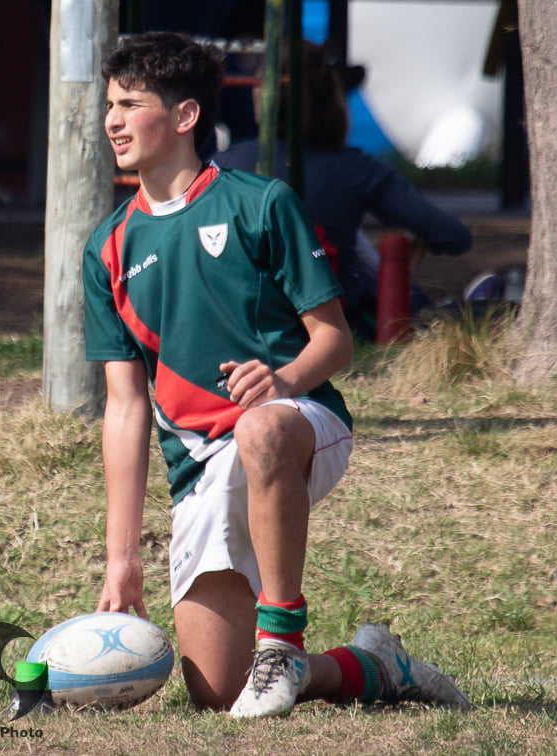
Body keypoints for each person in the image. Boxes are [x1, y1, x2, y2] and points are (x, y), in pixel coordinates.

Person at [82, 31, 471, 718]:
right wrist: (122, 558)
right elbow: (124, 407)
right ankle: (378, 665)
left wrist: (284, 381)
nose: (112, 119)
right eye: (109, 103)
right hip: (199, 471)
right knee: (220, 696)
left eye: (130, 103)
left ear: (184, 116)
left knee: (259, 429)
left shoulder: (260, 205)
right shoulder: (109, 245)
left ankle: (281, 639)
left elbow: (335, 341)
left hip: (298, 426)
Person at [213, 40, 473, 338]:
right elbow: (454, 236)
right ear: (332, 97)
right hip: (327, 320)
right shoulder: (356, 169)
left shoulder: (225, 164)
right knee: (353, 249)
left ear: (261, 96)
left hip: (241, 318)